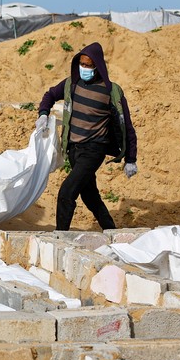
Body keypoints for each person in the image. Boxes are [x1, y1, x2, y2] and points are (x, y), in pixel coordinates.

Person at [35, 41, 138, 231]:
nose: (85, 69)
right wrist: (43, 113)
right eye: (82, 64)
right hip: (74, 149)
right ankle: (110, 230)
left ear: (98, 66)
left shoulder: (111, 92)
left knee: (67, 192)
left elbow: (127, 126)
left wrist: (130, 158)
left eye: (89, 65)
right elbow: (50, 95)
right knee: (90, 196)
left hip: (94, 150)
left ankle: (60, 237)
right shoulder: (71, 84)